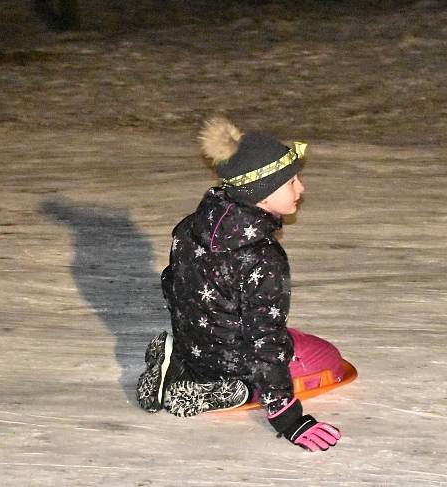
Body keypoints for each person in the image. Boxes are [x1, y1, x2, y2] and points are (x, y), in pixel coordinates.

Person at [136, 117, 342, 452]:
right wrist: (288, 417)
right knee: (320, 357)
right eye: (291, 182)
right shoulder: (262, 257)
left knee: (254, 332)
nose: (301, 189)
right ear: (262, 193)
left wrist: (196, 339)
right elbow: (265, 341)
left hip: (196, 343)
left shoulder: (189, 227)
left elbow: (172, 284)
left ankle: (181, 362)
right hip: (232, 361)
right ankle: (218, 389)